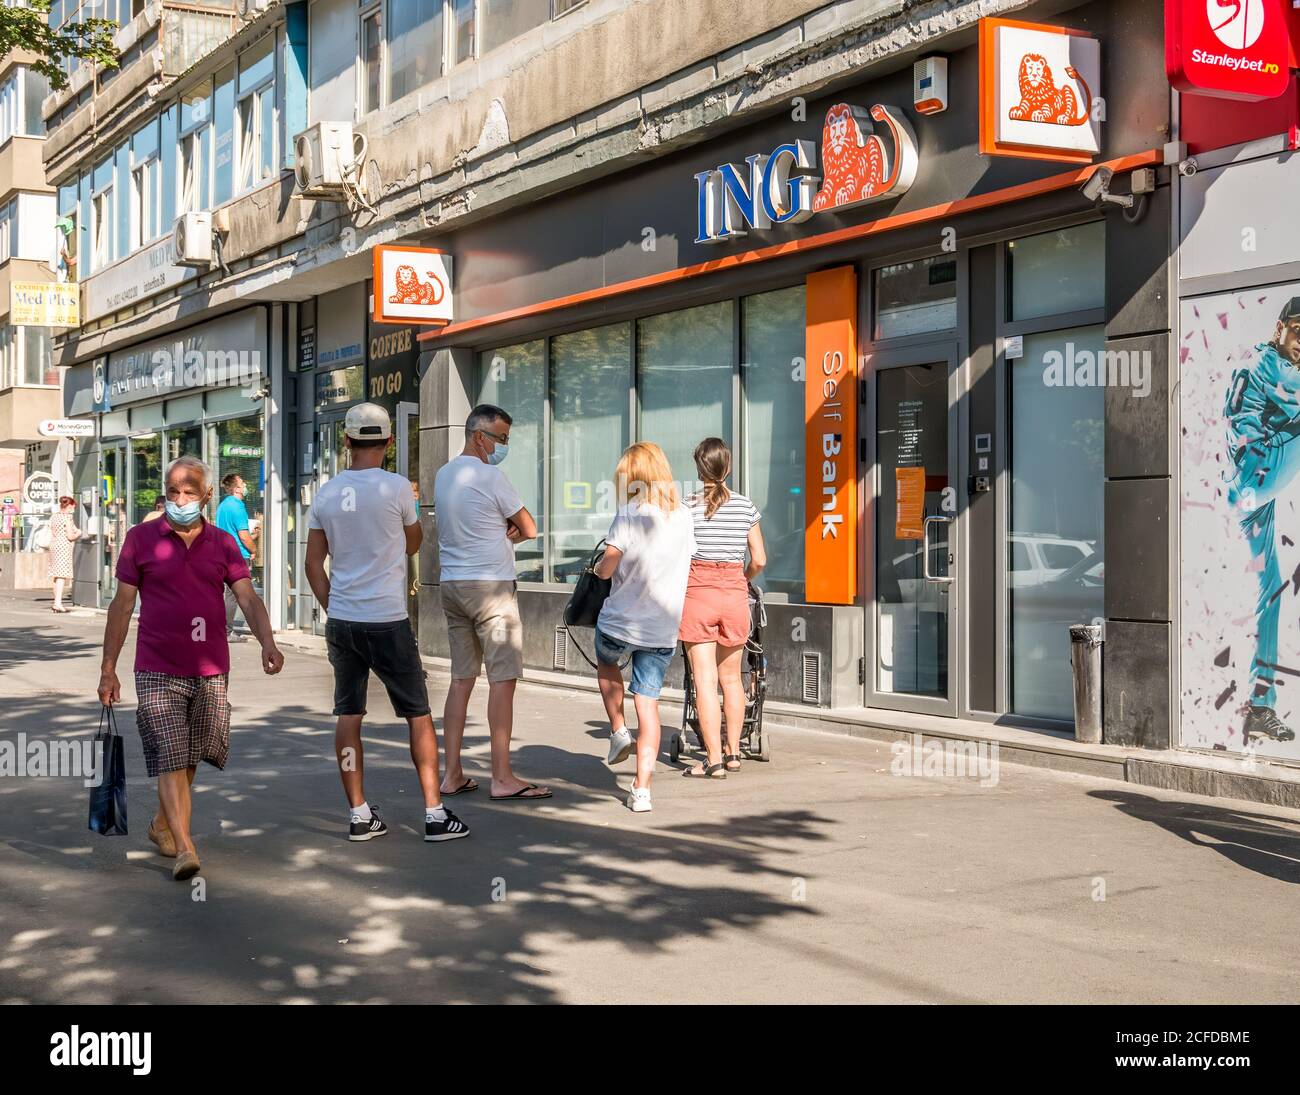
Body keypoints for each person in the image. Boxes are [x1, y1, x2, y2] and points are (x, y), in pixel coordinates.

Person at [97, 456, 284, 881]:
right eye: (173, 491)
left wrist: (267, 642)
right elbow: (122, 606)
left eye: (189, 492)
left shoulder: (221, 543)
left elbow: (248, 598)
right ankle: (184, 845)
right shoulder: (141, 539)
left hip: (211, 667)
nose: (179, 499)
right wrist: (109, 668)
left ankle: (162, 825)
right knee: (170, 751)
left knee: (195, 752)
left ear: (206, 496)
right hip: (157, 667)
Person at [306, 402, 470, 843]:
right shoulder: (397, 488)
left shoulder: (326, 493)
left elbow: (312, 565)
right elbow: (414, 542)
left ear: (346, 441)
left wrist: (332, 605)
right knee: (417, 713)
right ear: (389, 442)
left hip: (343, 621)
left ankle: (359, 814)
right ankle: (434, 814)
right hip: (388, 620)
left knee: (348, 713)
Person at [433, 404, 548, 802]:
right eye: (500, 438)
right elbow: (530, 527)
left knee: (461, 679)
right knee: (502, 681)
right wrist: (508, 530)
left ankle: (451, 774)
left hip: (452, 585)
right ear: (478, 436)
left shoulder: (444, 475)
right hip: (492, 590)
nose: (504, 445)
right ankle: (502, 778)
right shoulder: (491, 476)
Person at [595, 442, 695, 813]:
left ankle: (618, 729)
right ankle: (642, 790)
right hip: (661, 627)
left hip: (621, 621)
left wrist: (600, 568)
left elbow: (607, 567)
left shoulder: (628, 513)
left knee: (606, 662)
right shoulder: (684, 515)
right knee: (649, 705)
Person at [1226, 297, 1300, 744]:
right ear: (1280, 329)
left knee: (1270, 589)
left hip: (1254, 491)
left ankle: (1261, 705)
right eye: (1299, 330)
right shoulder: (1270, 365)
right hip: (1258, 475)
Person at [678, 438, 766, 778]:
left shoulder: (687, 507)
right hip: (733, 592)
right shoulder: (745, 506)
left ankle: (712, 760)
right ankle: (732, 753)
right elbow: (759, 559)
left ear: (699, 470)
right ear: (727, 468)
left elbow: (678, 554)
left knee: (704, 680)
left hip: (698, 591)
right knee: (732, 679)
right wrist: (741, 579)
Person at [215, 473, 258, 643]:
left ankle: (223, 629)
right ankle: (227, 631)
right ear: (237, 488)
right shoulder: (238, 506)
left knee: (228, 593)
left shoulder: (223, 505)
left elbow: (229, 532)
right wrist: (253, 548)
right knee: (235, 595)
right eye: (243, 482)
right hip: (238, 556)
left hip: (223, 554)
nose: (245, 484)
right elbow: (243, 536)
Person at [48, 495, 82, 613]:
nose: (74, 509)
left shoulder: (54, 516)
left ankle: (56, 601)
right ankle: (58, 603)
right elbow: (70, 536)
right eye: (74, 507)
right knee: (61, 575)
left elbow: (53, 531)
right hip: (63, 547)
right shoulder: (68, 518)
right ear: (70, 506)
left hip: (53, 545)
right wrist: (79, 533)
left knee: (56, 575)